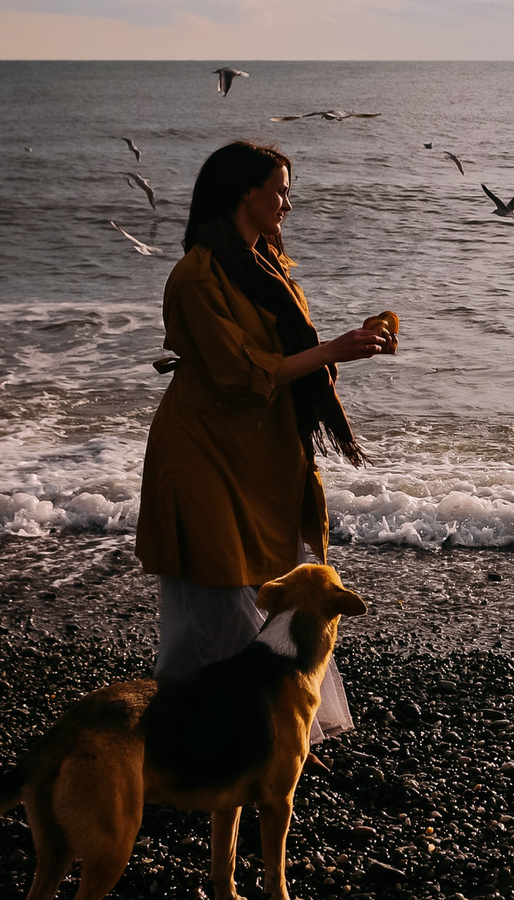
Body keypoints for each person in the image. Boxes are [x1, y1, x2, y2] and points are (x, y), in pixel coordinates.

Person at [136, 140, 392, 725]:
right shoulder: (198, 275)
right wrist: (335, 350)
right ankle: (206, 726)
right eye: (278, 190)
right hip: (205, 448)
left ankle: (262, 724)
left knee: (270, 579)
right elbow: (238, 372)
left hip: (261, 445)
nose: (287, 203)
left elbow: (279, 354)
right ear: (243, 192)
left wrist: (338, 349)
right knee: (219, 591)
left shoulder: (263, 263)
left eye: (287, 191)